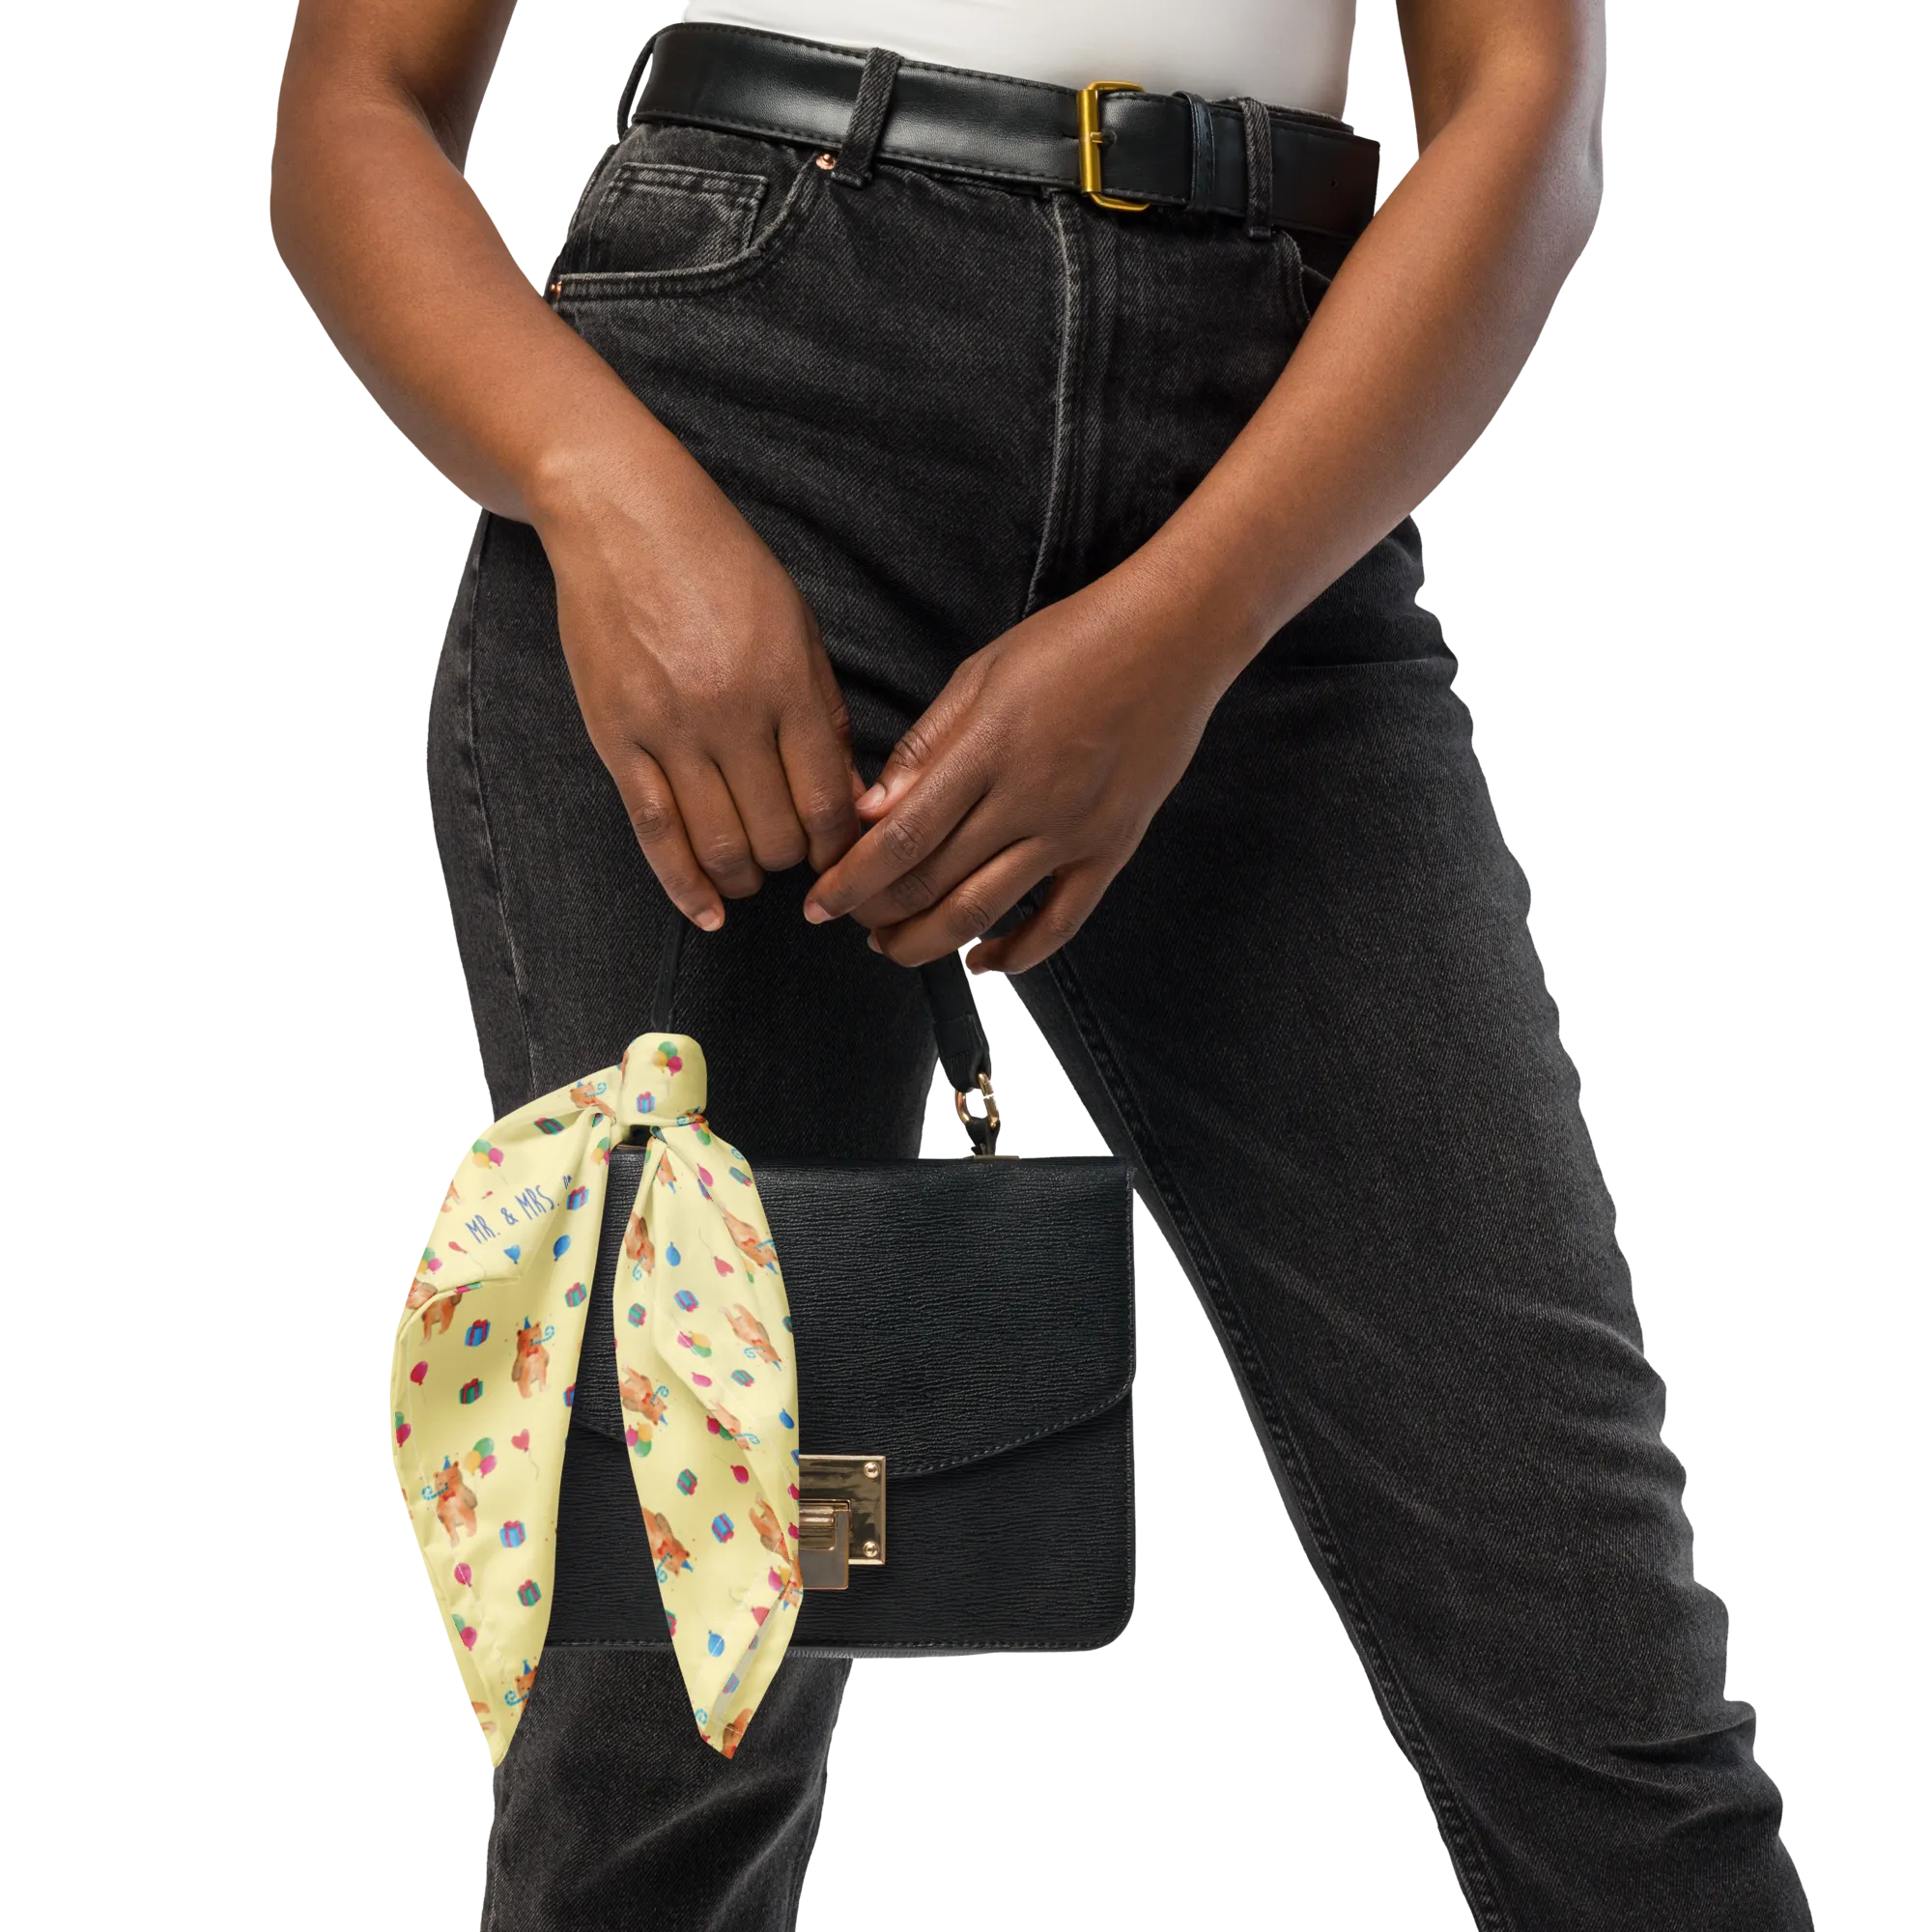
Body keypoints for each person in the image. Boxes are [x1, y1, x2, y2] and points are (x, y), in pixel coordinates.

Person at [269, 5, 1809, 1928]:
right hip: (735, 455)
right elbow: (356, 102)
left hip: (1276, 480)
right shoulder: (660, 496)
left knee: (1596, 1676)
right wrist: (601, 494)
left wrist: (1192, 623)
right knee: (665, 1726)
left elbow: (1527, 107)